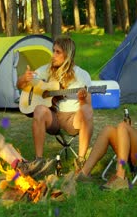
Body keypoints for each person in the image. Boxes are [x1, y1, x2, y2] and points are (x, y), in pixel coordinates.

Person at [16, 36, 94, 176]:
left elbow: (87, 107)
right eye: (53, 51)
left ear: (67, 54)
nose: (53, 55)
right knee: (39, 109)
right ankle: (38, 160)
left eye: (58, 52)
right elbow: (21, 86)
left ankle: (81, 160)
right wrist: (24, 79)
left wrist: (83, 100)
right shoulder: (46, 70)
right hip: (54, 117)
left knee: (87, 110)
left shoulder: (82, 75)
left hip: (72, 119)